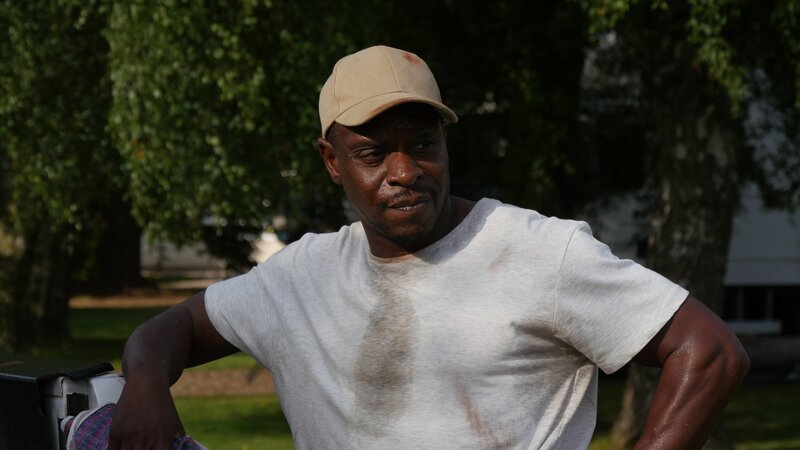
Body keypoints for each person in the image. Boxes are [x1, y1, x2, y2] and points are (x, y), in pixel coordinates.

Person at [109, 45, 749, 449]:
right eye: (371, 153)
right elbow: (169, 333)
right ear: (332, 162)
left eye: (422, 144)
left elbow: (711, 351)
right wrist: (143, 384)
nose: (405, 170)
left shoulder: (536, 252)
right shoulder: (300, 277)